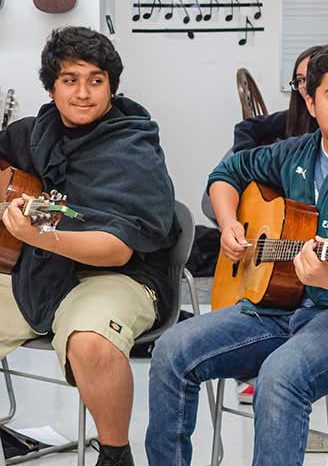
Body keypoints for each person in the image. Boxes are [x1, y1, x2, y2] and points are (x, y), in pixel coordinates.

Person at [145, 43, 328, 466]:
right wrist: (229, 225)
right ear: (310, 103)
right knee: (171, 350)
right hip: (283, 305)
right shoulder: (297, 151)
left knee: (280, 376)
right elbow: (226, 174)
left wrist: (326, 277)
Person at [0, 27, 178, 466]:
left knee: (91, 341)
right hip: (41, 270)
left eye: (95, 80)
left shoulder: (133, 148)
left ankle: (116, 455)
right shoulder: (37, 131)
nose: (83, 93)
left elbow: (117, 249)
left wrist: (36, 235)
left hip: (118, 276)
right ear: (51, 86)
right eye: (70, 80)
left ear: (111, 86)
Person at [201, 45, 328, 226]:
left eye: (309, 78)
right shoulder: (295, 136)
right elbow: (246, 135)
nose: (304, 86)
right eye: (300, 80)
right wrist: (255, 175)